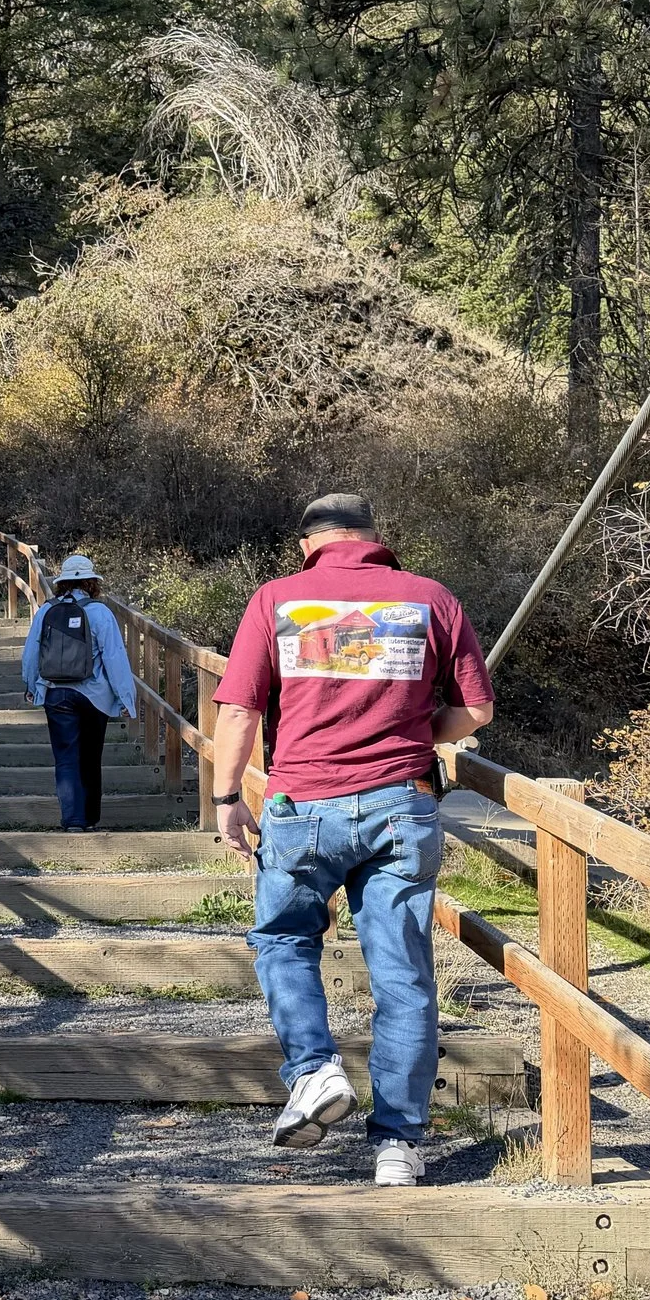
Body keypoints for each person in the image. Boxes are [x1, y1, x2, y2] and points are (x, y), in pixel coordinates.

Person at [211, 493, 495, 1187]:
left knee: (284, 937)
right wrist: (413, 735)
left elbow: (241, 710)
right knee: (403, 974)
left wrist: (226, 798)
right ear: (376, 537)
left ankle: (313, 1069)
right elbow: (477, 709)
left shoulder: (276, 598)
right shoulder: (429, 597)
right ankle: (397, 1144)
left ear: (306, 544)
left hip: (303, 802)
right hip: (404, 804)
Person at [19, 554, 138, 831]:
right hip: (94, 695)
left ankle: (72, 820)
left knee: (66, 756)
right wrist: (125, 698)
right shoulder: (100, 612)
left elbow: (31, 653)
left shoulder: (47, 611)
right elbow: (115, 659)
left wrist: (31, 685)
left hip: (56, 693)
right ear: (92, 582)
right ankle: (91, 818)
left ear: (62, 583)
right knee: (90, 756)